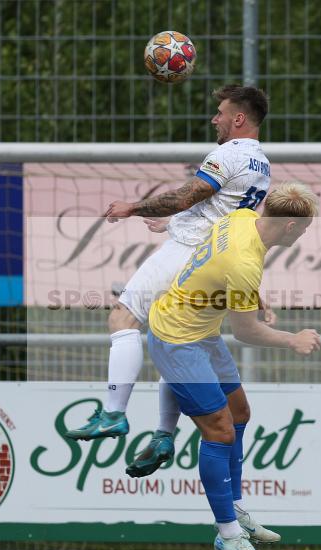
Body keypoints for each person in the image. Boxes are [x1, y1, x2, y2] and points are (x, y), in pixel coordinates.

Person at [65, 84, 271, 450]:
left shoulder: (229, 154)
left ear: (238, 118)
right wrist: (175, 223)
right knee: (176, 337)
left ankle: (114, 412)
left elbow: (187, 196)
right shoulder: (262, 164)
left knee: (123, 318)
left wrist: (134, 207)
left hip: (189, 252)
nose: (215, 119)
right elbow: (220, 213)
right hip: (215, 262)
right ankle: (163, 434)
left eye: (221, 113)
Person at [145, 183, 321, 550]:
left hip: (200, 329)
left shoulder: (242, 218)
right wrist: (293, 340)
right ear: (290, 227)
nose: (306, 233)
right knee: (220, 431)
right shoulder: (246, 263)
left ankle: (234, 506)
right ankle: (227, 534)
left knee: (239, 412)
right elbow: (246, 333)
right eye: (306, 227)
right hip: (177, 338)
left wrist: (253, 298)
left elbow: (215, 259)